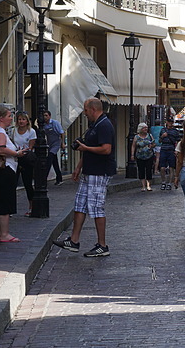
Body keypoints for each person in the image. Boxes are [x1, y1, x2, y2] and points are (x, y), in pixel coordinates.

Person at [53, 97, 116, 257]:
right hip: (89, 170)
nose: (84, 113)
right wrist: (79, 167)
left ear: (93, 109)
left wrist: (86, 148)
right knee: (80, 204)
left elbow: (106, 149)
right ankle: (74, 241)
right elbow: (88, 149)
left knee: (96, 207)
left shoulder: (104, 125)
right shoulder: (95, 125)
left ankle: (102, 245)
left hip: (99, 172)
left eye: (86, 110)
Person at [0, 106, 21, 243]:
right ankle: (4, 234)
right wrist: (16, 153)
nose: (11, 118)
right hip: (3, 170)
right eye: (9, 116)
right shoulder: (0, 131)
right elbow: (0, 149)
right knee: (4, 201)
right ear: (1, 118)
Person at [12, 111, 37, 216]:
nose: (21, 121)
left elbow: (30, 147)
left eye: (23, 119)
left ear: (27, 121)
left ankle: (31, 207)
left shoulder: (31, 132)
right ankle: (11, 209)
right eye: (19, 119)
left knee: (28, 184)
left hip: (26, 159)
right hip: (15, 158)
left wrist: (24, 151)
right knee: (12, 184)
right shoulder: (13, 131)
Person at [41, 109, 65, 185]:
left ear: (50, 116)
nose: (45, 117)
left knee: (49, 160)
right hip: (50, 144)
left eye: (46, 115)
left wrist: (62, 143)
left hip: (56, 143)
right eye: (44, 116)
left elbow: (61, 133)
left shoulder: (55, 123)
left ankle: (43, 179)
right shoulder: (44, 125)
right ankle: (59, 179)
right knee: (55, 162)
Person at [131, 122, 156, 191]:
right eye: (144, 128)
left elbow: (154, 144)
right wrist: (132, 155)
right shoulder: (136, 137)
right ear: (140, 129)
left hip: (149, 155)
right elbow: (133, 146)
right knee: (141, 170)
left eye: (146, 128)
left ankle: (148, 185)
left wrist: (151, 146)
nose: (146, 129)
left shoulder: (149, 136)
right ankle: (143, 186)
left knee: (148, 170)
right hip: (140, 156)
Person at [158, 117, 180, 190]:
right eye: (169, 121)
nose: (170, 123)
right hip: (163, 149)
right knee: (162, 167)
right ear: (166, 122)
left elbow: (178, 141)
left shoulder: (175, 131)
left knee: (171, 167)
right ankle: (163, 182)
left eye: (171, 122)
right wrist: (162, 136)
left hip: (171, 150)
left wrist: (176, 150)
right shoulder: (162, 130)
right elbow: (159, 140)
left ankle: (170, 183)